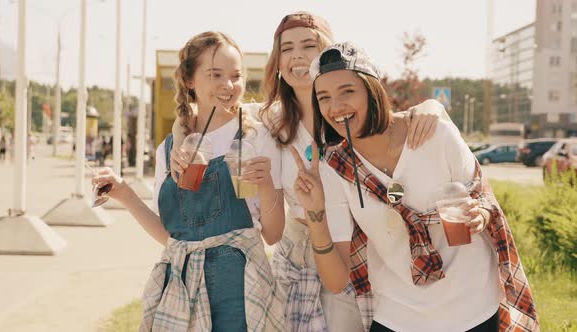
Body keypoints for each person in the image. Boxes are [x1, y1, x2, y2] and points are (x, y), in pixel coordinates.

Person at [290, 41, 538, 332]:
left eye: (347, 91)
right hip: (399, 315)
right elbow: (336, 281)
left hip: (472, 305)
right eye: (324, 97)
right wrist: (315, 213)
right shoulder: (336, 168)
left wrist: (478, 216)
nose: (335, 107)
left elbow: (484, 201)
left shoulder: (436, 133)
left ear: (372, 92)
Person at [259, 12, 448, 332]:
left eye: (309, 45)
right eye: (287, 48)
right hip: (299, 252)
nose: (298, 56)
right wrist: (264, 183)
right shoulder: (271, 126)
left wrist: (434, 106)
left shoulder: (348, 113)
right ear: (277, 62)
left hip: (359, 244)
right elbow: (272, 233)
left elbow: (391, 127)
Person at [92, 31, 285, 331]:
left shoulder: (253, 139)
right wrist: (125, 193)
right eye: (215, 74)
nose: (228, 85)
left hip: (241, 291)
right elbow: (172, 237)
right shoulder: (169, 149)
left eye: (236, 75)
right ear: (189, 80)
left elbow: (272, 235)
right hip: (180, 288)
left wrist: (267, 184)